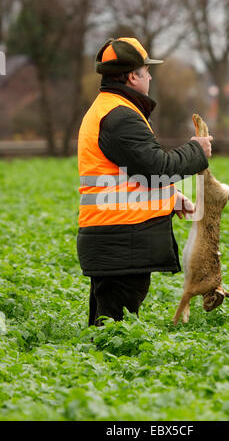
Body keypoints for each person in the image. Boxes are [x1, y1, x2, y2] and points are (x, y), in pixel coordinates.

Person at [77, 37, 213, 326]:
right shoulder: (120, 116)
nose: (150, 76)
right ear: (132, 77)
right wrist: (196, 151)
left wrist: (171, 198)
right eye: (146, 70)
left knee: (107, 329)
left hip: (114, 239)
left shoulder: (111, 109)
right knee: (116, 336)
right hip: (122, 241)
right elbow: (156, 168)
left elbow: (131, 174)